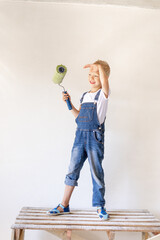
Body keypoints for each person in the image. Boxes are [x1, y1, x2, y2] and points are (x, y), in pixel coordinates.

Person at [47, 59, 111, 220]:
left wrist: (99, 68)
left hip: (94, 138)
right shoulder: (85, 96)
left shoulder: (103, 95)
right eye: (90, 74)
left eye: (96, 75)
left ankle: (99, 206)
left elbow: (104, 82)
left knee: (96, 173)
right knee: (72, 170)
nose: (92, 78)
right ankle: (64, 204)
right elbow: (79, 118)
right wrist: (69, 104)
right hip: (80, 136)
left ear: (103, 77)